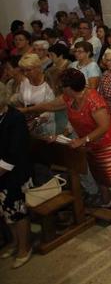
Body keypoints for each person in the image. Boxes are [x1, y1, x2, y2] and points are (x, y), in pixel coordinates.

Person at [23, 68, 111, 223]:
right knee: (98, 173)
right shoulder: (68, 98)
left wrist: (83, 140)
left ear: (69, 88)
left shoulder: (94, 101)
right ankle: (107, 201)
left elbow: (104, 126)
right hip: (90, 142)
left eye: (62, 86)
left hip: (108, 142)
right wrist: (28, 110)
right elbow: (50, 105)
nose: (60, 89)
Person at [0, 83, 33, 268]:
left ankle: (24, 247)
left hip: (15, 173)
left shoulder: (15, 118)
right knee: (5, 211)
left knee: (18, 211)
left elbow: (15, 151)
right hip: (2, 172)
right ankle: (13, 242)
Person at [17, 54, 56, 138]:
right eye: (23, 70)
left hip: (46, 128)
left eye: (28, 70)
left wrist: (36, 121)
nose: (25, 73)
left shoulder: (48, 84)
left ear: (38, 68)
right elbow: (21, 101)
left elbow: (51, 110)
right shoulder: (24, 82)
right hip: (27, 124)